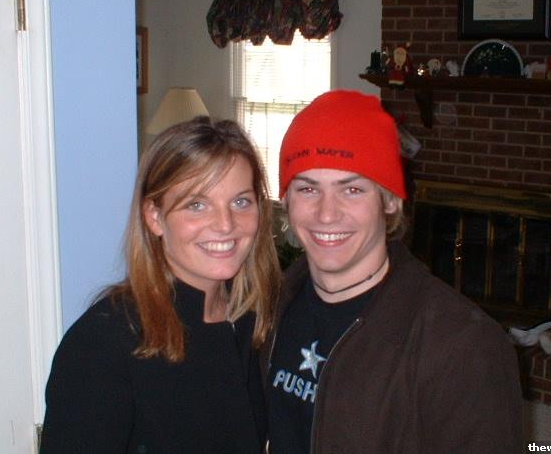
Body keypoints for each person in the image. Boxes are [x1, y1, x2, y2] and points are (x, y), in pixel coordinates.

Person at [263, 90, 523, 453]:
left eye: (352, 189)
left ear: (388, 200)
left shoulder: (465, 347)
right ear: (287, 199)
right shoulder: (270, 305)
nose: (326, 214)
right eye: (308, 188)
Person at [40, 117, 281, 453]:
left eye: (240, 202)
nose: (226, 224)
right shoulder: (102, 343)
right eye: (197, 205)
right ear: (154, 217)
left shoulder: (254, 322)